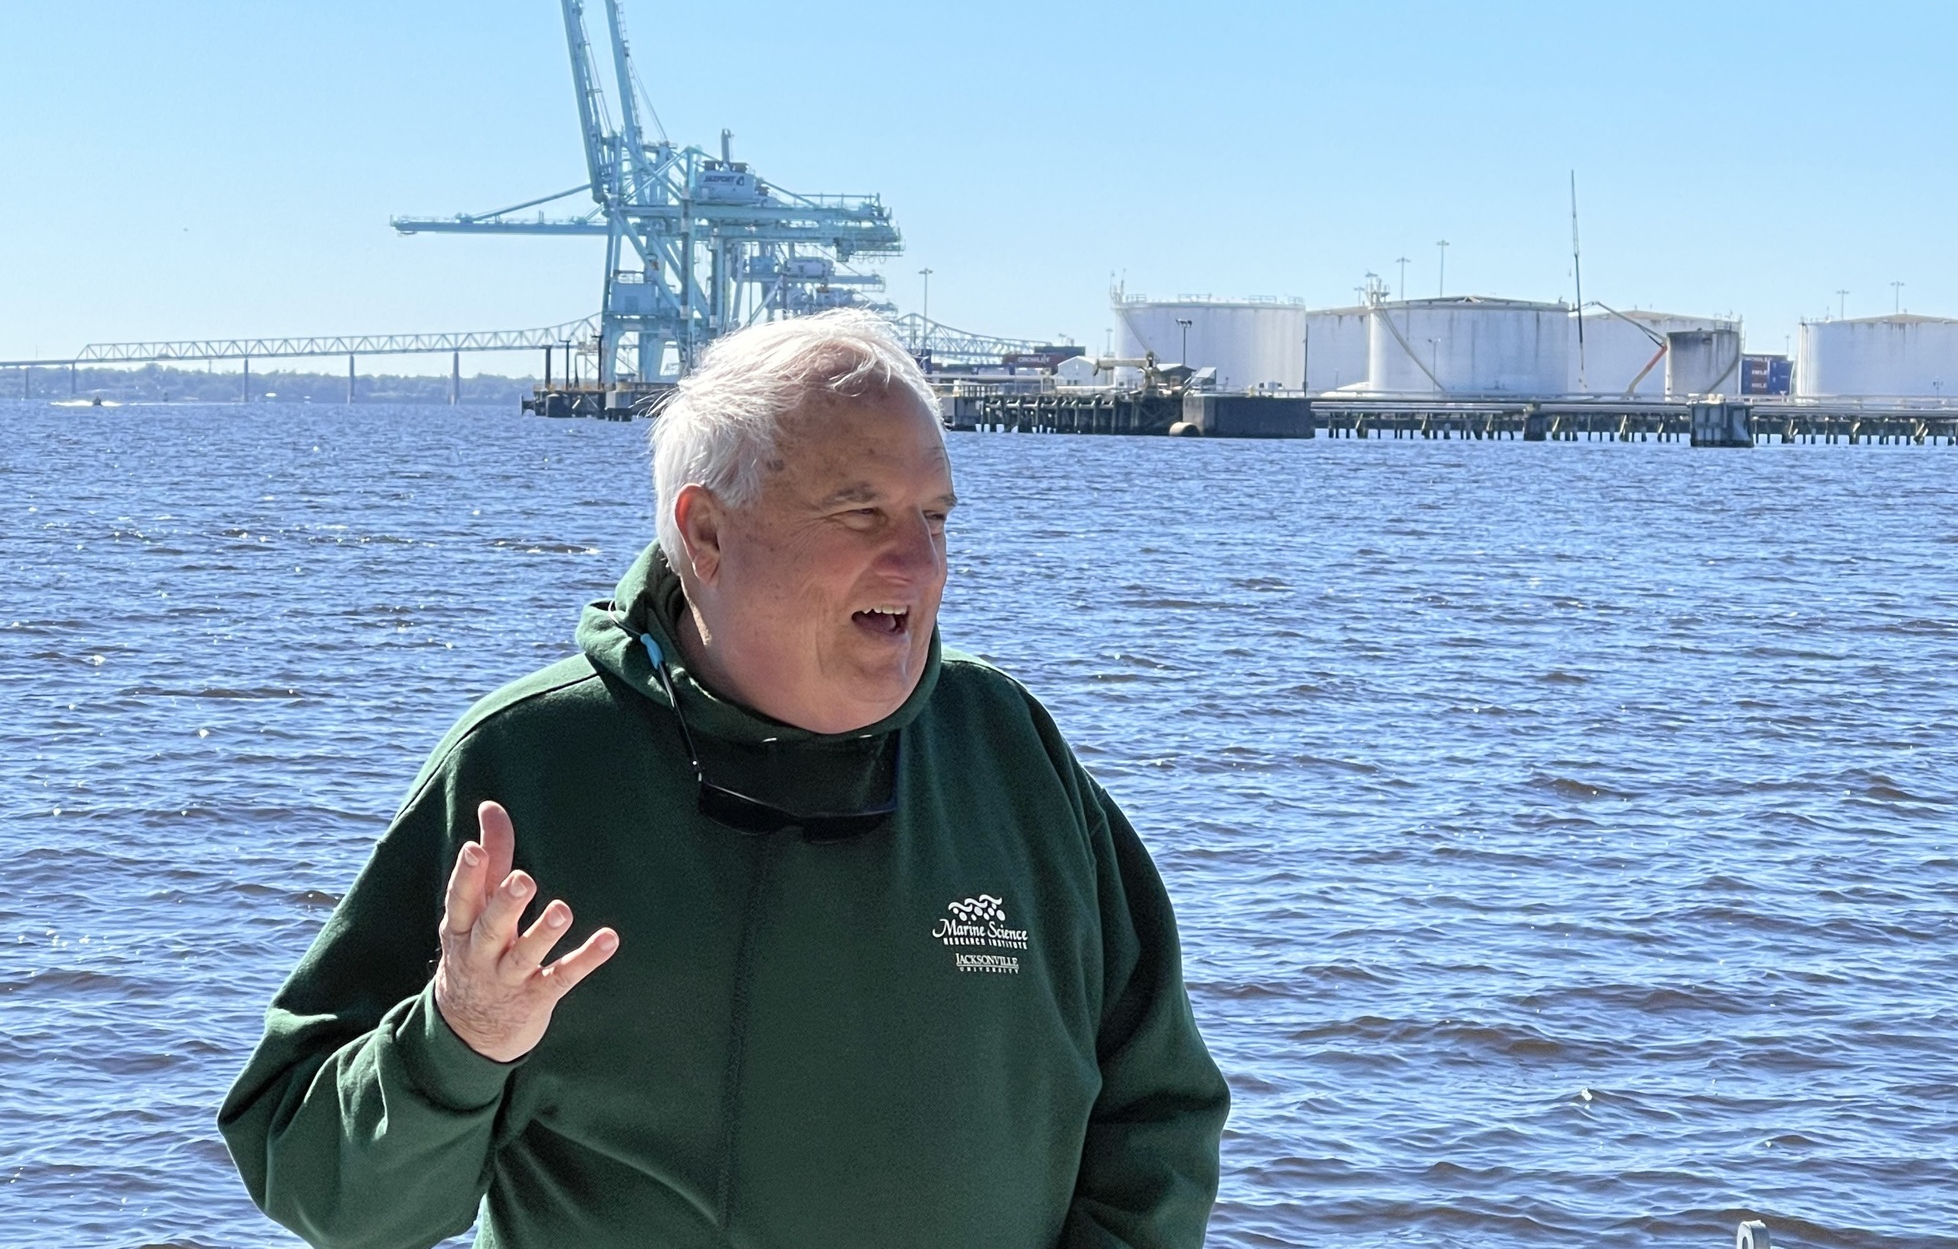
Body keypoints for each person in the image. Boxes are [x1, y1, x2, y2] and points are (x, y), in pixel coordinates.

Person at [220, 309, 1229, 1249]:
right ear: (704, 533)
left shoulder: (1007, 754)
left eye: (934, 516)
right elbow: (322, 1182)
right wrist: (459, 1042)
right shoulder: (528, 770)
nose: (917, 563)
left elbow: (1158, 1113)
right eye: (859, 510)